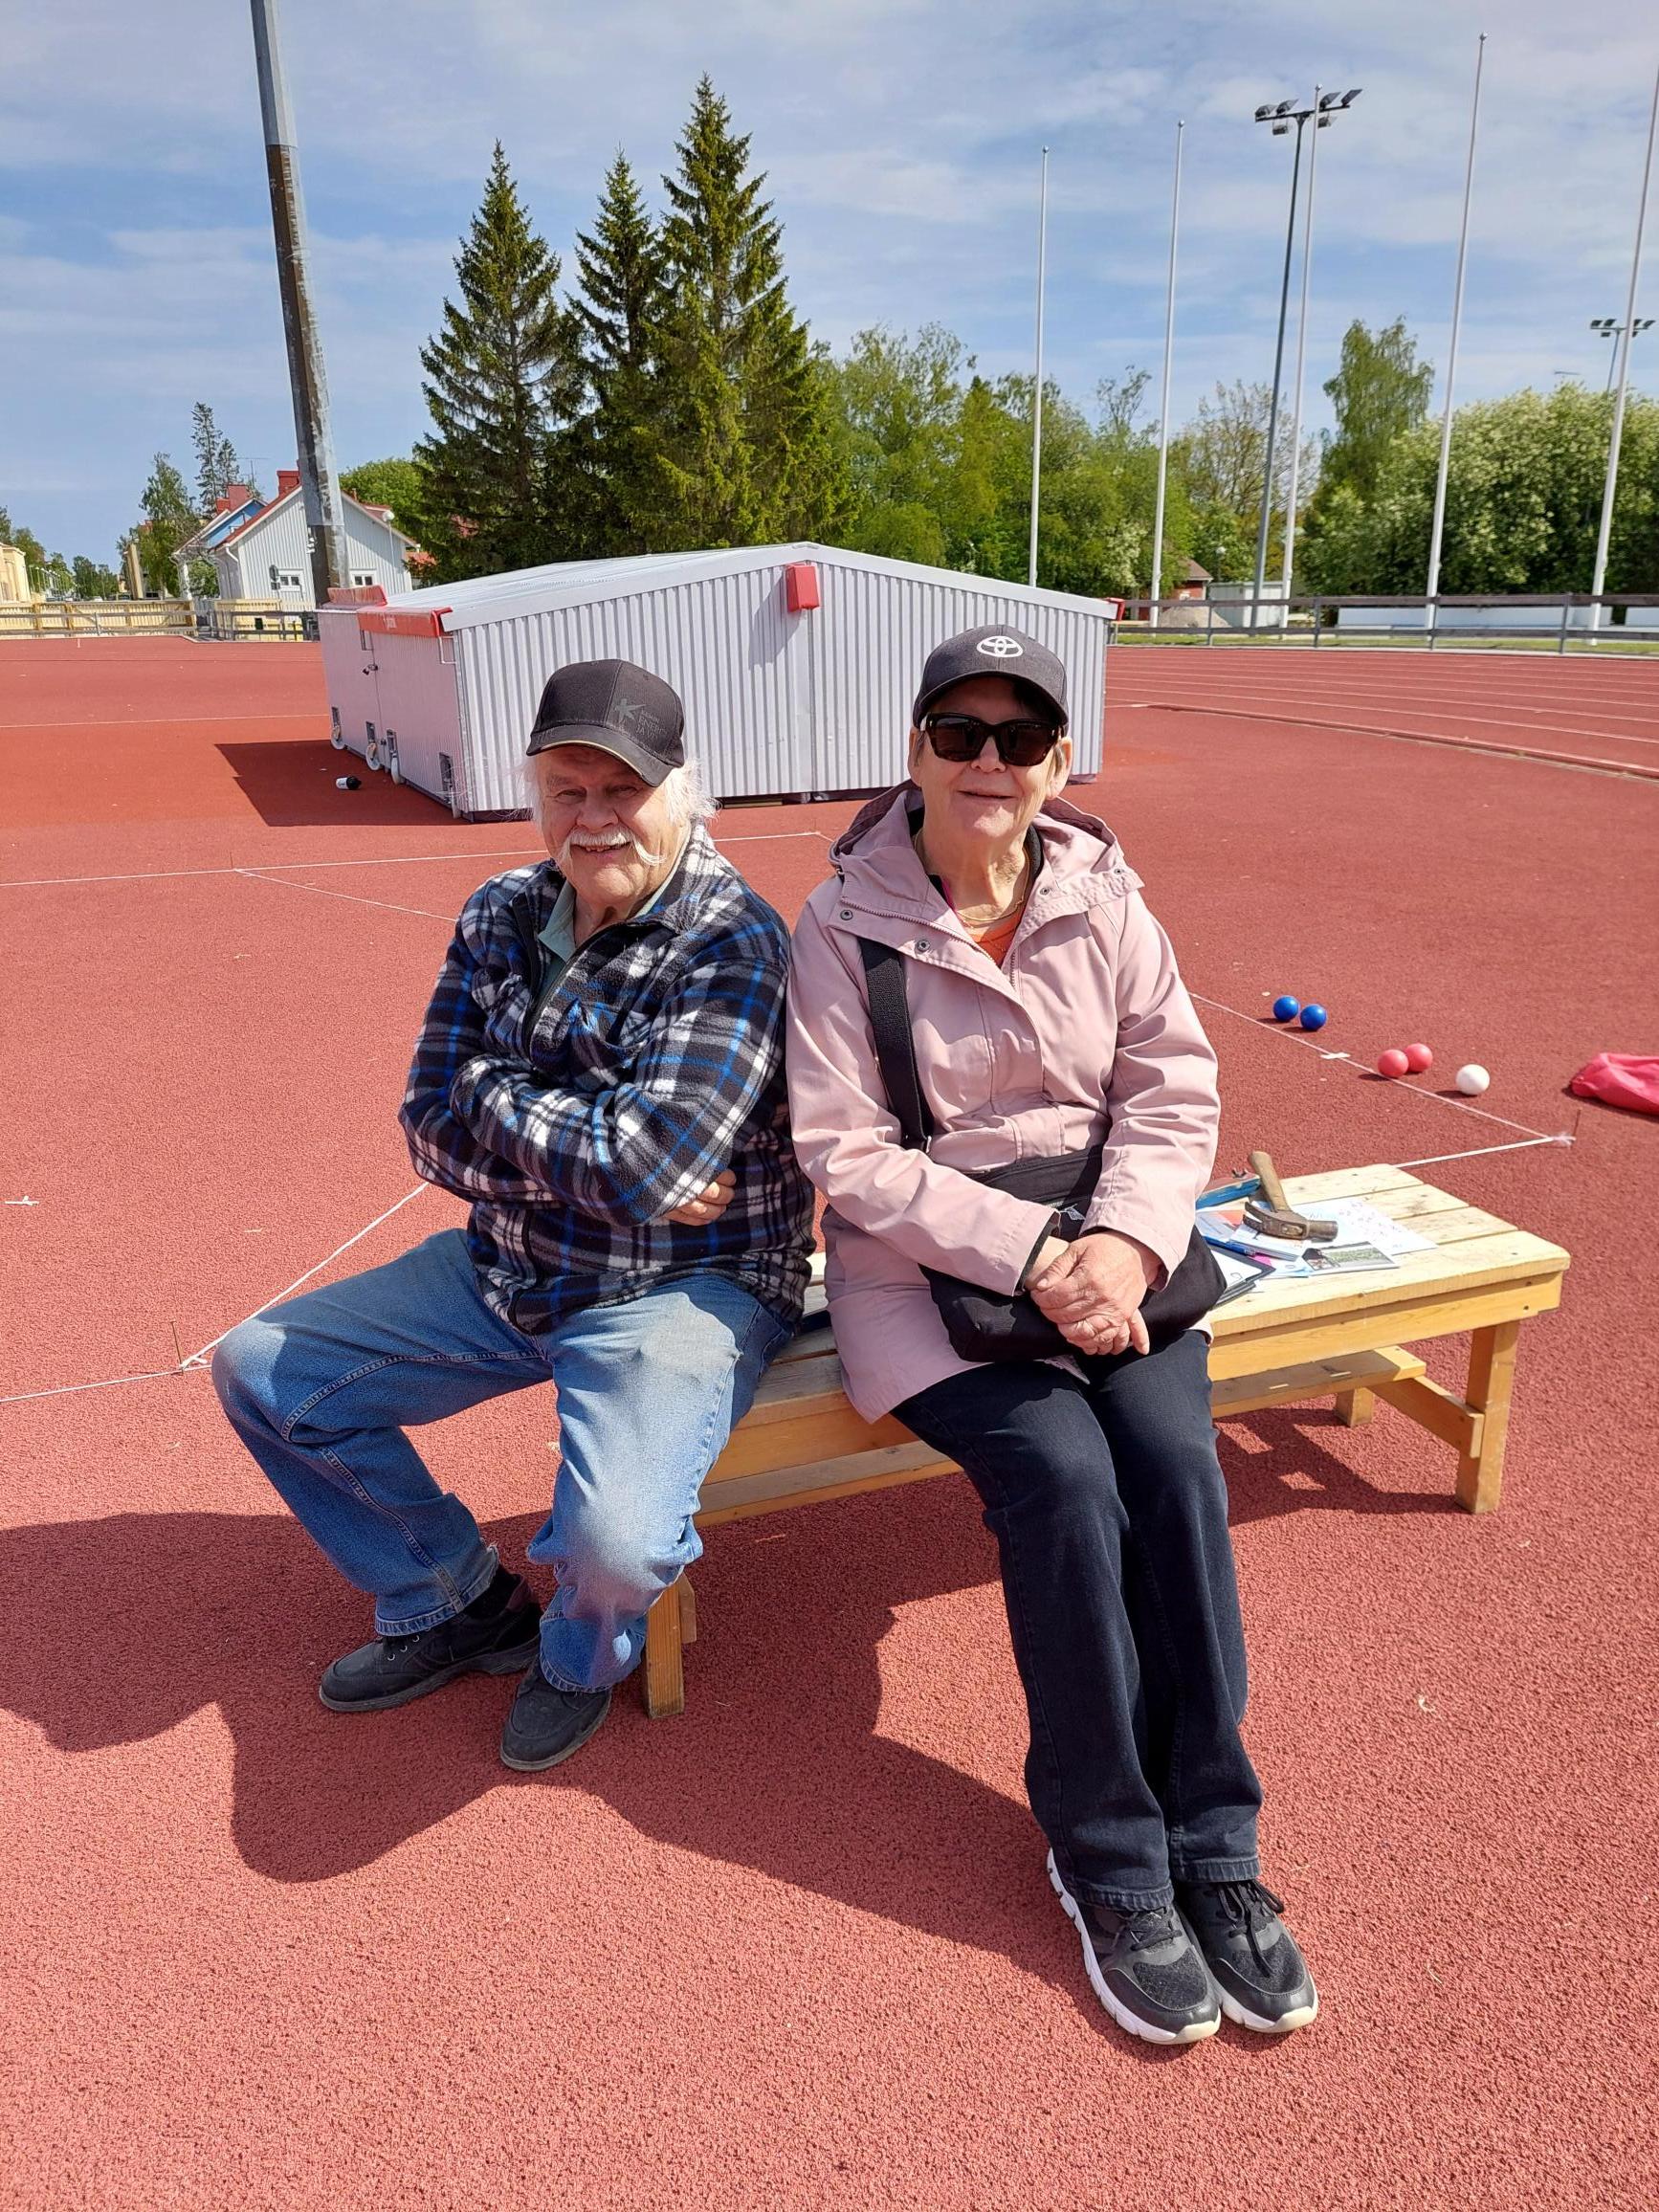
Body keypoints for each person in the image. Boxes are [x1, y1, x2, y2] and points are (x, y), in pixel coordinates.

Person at [785, 624, 1316, 2046]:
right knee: (1066, 1481)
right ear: (914, 750)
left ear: (1058, 762)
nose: (988, 761)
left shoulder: (1108, 898)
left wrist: (1126, 1247)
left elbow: (1170, 1090)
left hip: (1116, 1259)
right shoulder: (838, 924)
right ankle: (1109, 1858)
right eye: (958, 733)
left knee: (1175, 1468)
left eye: (1019, 738)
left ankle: (1215, 1838)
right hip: (928, 1283)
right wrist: (1033, 1257)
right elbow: (846, 1153)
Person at [213, 658, 810, 1771]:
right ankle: (453, 1595)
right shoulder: (503, 909)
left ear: (684, 788)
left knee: (616, 1543)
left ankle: (577, 1656)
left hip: (685, 1286)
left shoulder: (732, 938)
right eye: (566, 790)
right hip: (513, 1263)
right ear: (536, 795)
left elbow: (638, 1163)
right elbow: (428, 1124)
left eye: (622, 789)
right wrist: (584, 1146)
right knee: (261, 1369)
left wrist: (493, 1091)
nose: (594, 817)